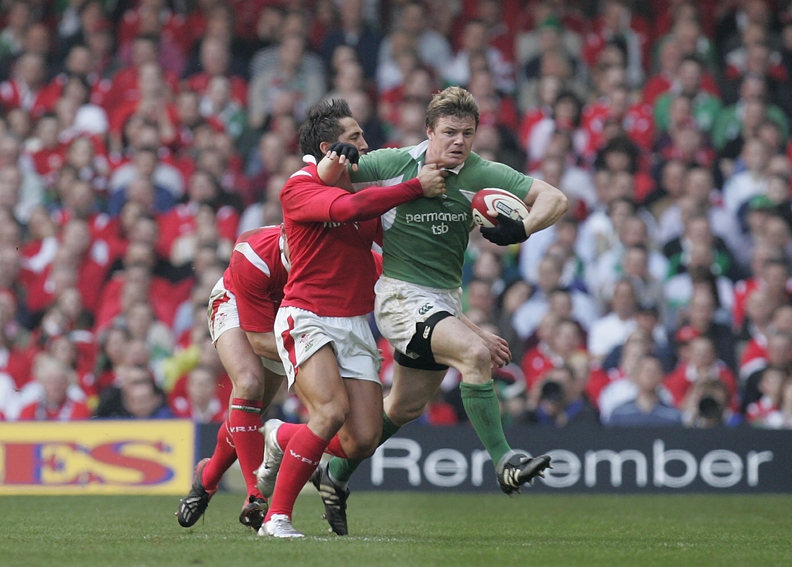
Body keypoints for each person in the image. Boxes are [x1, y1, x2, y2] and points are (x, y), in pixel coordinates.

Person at [314, 86, 568, 535]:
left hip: (444, 301)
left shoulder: (481, 172)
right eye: (449, 132)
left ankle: (334, 475)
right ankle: (505, 459)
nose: (458, 141)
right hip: (400, 299)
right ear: (429, 131)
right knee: (474, 355)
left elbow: (555, 198)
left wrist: (523, 228)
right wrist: (336, 155)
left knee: (401, 409)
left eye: (467, 133)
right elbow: (332, 175)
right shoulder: (394, 163)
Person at [257, 99, 447, 538]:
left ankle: (280, 437)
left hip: (354, 324)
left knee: (362, 438)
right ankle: (277, 518)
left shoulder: (363, 195)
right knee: (330, 412)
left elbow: (396, 242)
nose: (366, 143)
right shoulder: (298, 187)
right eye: (355, 137)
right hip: (306, 317)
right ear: (329, 148)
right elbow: (345, 212)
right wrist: (416, 186)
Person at [176, 224, 290, 532]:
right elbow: (258, 340)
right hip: (237, 304)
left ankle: (208, 476)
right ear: (285, 234)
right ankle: (256, 495)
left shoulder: (326, 254)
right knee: (249, 384)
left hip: (283, 317)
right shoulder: (254, 253)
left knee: (248, 414)